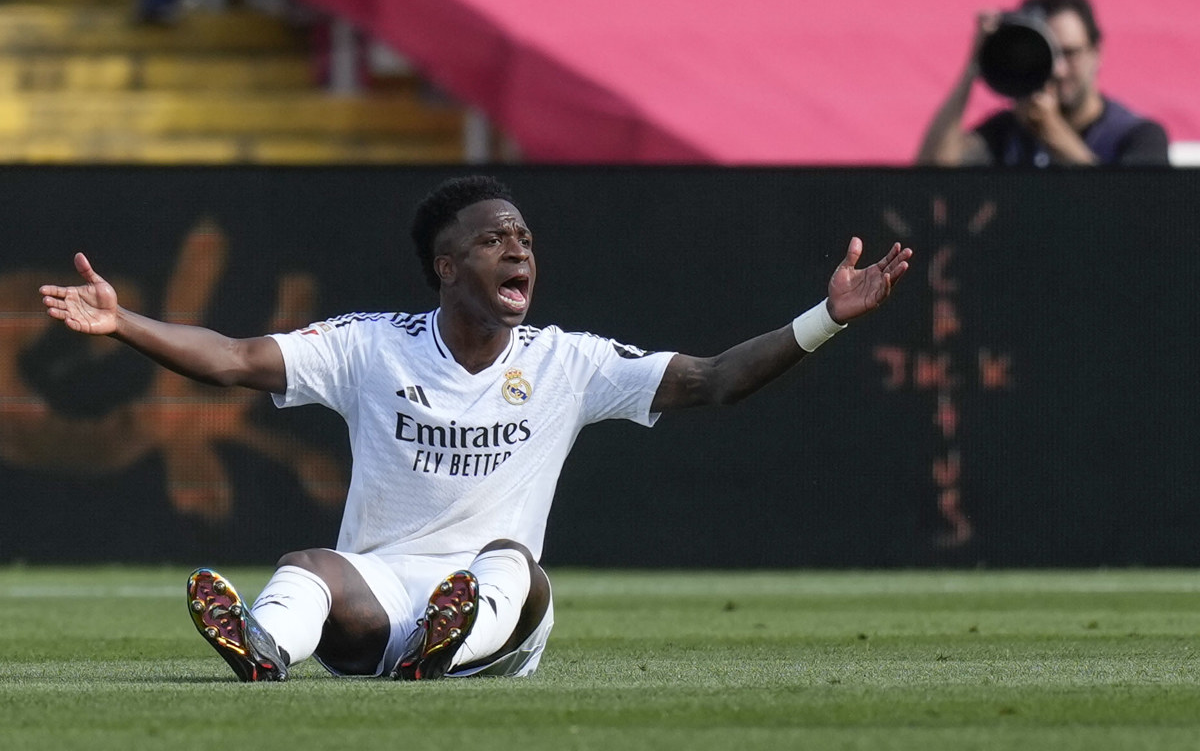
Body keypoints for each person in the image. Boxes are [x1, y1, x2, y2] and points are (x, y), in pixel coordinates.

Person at [38, 175, 913, 682]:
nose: (519, 249)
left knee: (513, 565)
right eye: (495, 239)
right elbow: (230, 359)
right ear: (447, 266)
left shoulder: (568, 361)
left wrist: (824, 319)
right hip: (380, 601)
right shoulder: (369, 346)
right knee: (308, 568)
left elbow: (717, 380)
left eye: (525, 237)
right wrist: (124, 324)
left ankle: (447, 646)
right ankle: (265, 651)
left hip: (496, 615)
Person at [916, 0, 1170, 167]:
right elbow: (933, 169)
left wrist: (1053, 133)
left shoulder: (1139, 137)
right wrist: (975, 63)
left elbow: (1135, 215)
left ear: (1097, 52)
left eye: (1069, 53)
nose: (1058, 70)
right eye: (1047, 54)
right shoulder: (1010, 131)